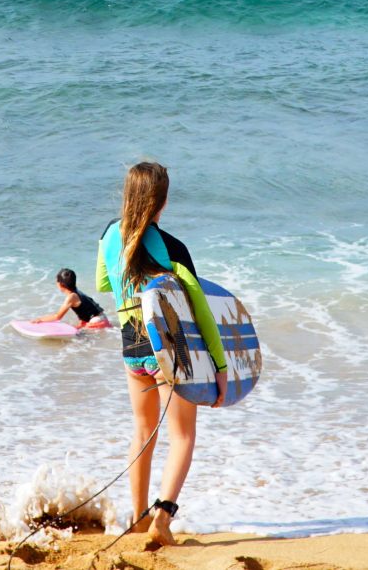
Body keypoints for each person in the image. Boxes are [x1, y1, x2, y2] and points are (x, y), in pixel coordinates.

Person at [96, 161, 227, 550]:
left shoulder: (107, 235)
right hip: (169, 349)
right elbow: (200, 311)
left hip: (131, 346)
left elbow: (104, 281)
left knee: (142, 431)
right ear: (162, 201)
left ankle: (137, 516)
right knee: (182, 435)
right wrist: (219, 367)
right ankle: (162, 520)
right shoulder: (172, 248)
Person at [33, 268, 111, 329]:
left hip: (96, 321)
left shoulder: (71, 297)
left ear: (60, 284)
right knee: (77, 331)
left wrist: (40, 320)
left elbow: (57, 317)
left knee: (79, 338)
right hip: (101, 318)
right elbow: (85, 311)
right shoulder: (76, 291)